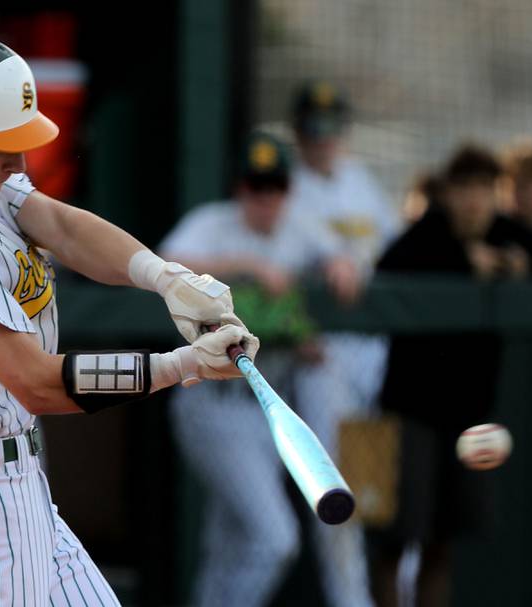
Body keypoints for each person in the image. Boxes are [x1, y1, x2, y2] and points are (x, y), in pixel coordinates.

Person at [0, 32, 258, 607]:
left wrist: (165, 277)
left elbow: (57, 225)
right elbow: (37, 382)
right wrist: (181, 365)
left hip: (10, 485)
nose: (18, 161)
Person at [160, 131, 359, 607]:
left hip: (270, 406)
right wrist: (246, 265)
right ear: (240, 189)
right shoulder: (214, 223)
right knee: (275, 539)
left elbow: (345, 261)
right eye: (256, 187)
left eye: (275, 187)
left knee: (231, 540)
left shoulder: (301, 225)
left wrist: (340, 264)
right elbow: (164, 261)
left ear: (287, 190)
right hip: (213, 402)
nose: (265, 199)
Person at [368, 144, 532, 607]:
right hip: (409, 414)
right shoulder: (425, 234)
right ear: (447, 194)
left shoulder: (506, 233)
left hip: (470, 417)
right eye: (464, 189)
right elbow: (387, 267)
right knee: (394, 542)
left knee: (442, 543)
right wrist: (462, 259)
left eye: (484, 190)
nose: (473, 201)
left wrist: (517, 262)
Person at [289, 80, 400, 607]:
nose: (324, 138)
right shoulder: (288, 187)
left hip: (374, 354)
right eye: (314, 127)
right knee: (337, 494)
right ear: (299, 132)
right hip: (322, 356)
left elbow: (392, 248)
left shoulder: (360, 181)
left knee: (380, 492)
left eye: (332, 127)